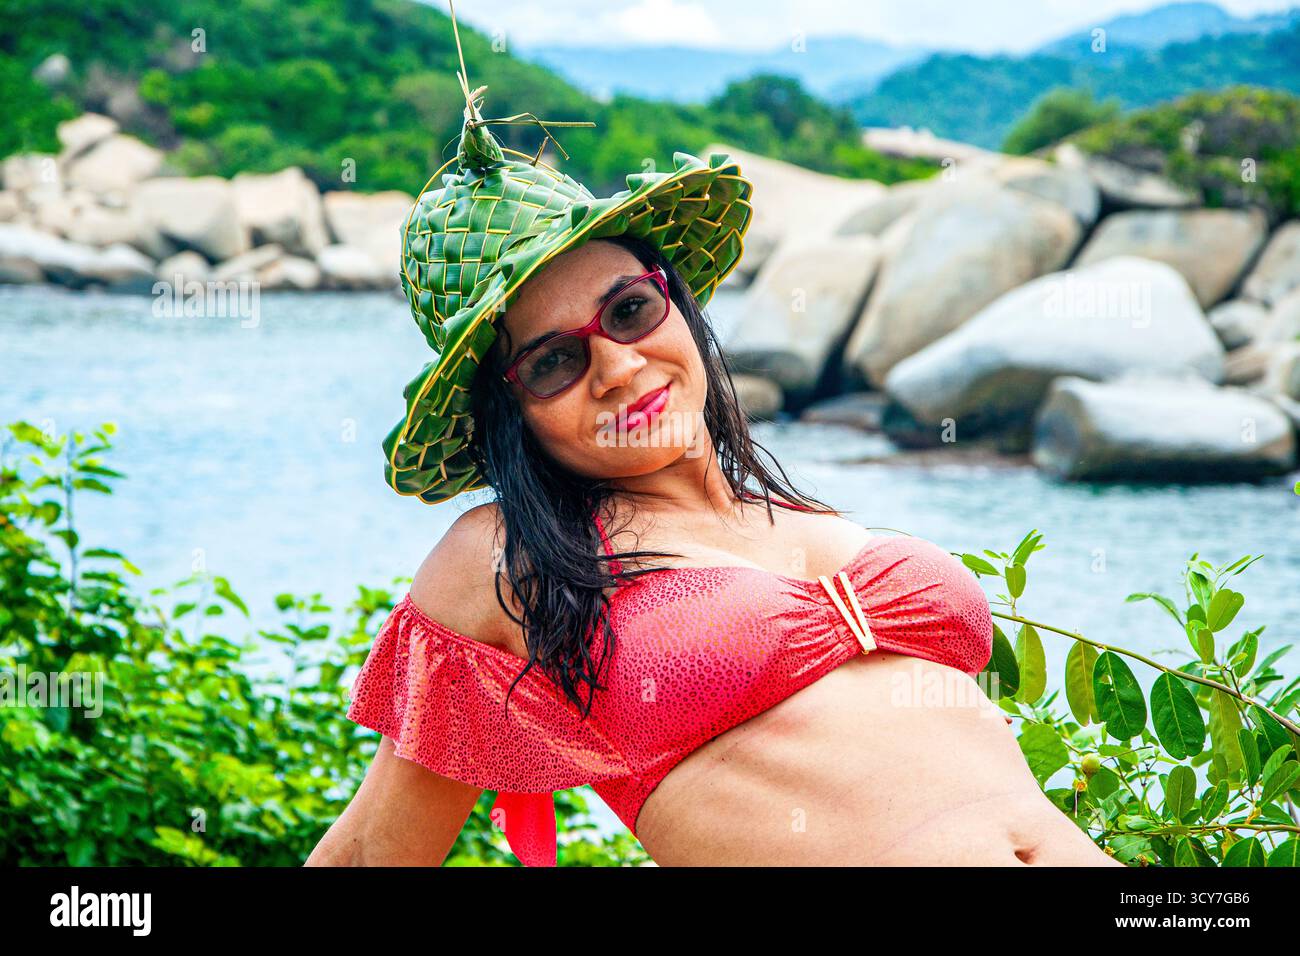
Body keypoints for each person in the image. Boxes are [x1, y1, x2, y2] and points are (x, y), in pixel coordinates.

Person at [306, 9, 1122, 868]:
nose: (618, 367)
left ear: (678, 306)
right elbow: (372, 851)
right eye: (554, 363)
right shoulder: (515, 560)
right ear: (514, 415)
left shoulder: (804, 518)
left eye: (630, 310)